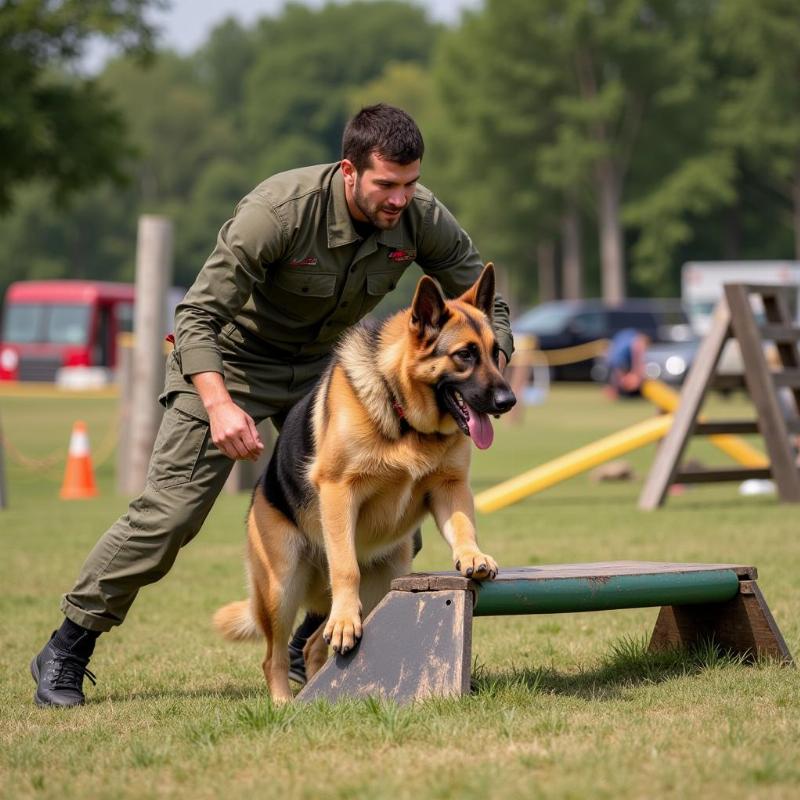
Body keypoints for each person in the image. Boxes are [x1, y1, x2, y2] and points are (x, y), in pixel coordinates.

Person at [30, 104, 514, 707]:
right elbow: (197, 316)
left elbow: (486, 308)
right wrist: (218, 404)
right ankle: (67, 648)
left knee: (394, 521)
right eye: (386, 184)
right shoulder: (277, 212)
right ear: (349, 171)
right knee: (172, 512)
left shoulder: (419, 215)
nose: (399, 200)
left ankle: (312, 642)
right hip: (228, 361)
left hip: (323, 370)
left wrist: (490, 372)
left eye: (410, 184)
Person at [605, 328, 650, 398]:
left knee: (617, 381)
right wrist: (637, 375)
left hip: (611, 358)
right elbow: (637, 360)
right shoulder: (638, 341)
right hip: (619, 361)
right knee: (625, 382)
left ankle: (615, 392)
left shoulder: (628, 334)